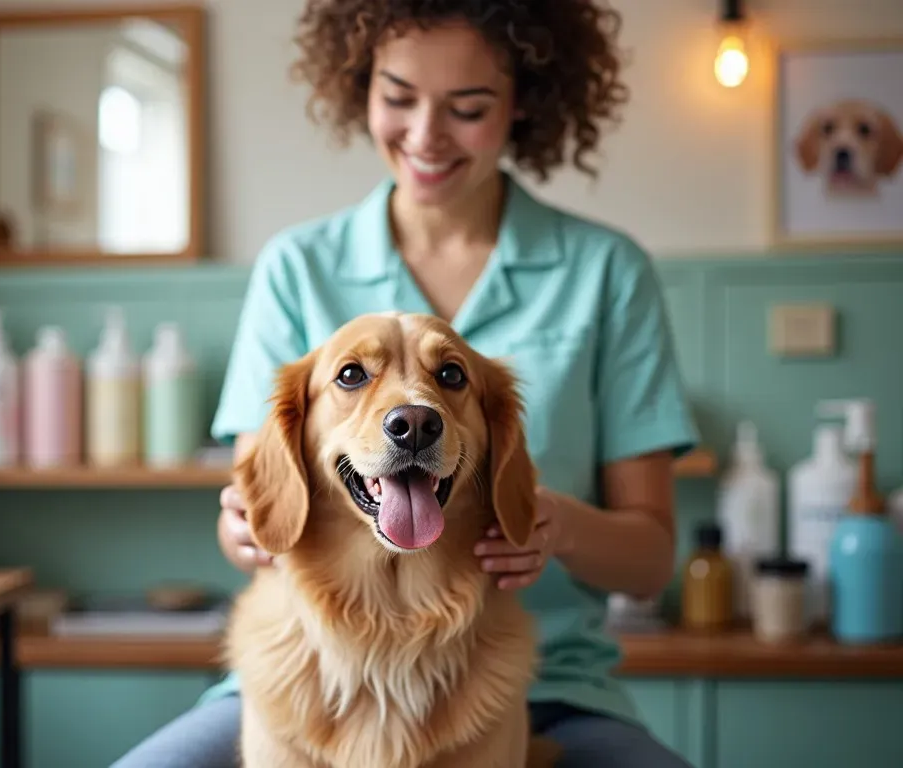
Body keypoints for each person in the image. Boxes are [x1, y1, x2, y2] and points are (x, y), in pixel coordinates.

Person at [113, 1, 700, 766]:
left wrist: (552, 523)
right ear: (360, 88)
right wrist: (242, 526)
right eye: (398, 97)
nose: (426, 135)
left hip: (547, 679)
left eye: (468, 107)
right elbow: (262, 514)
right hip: (311, 673)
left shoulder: (608, 272)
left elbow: (652, 557)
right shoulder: (296, 268)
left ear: (522, 101)